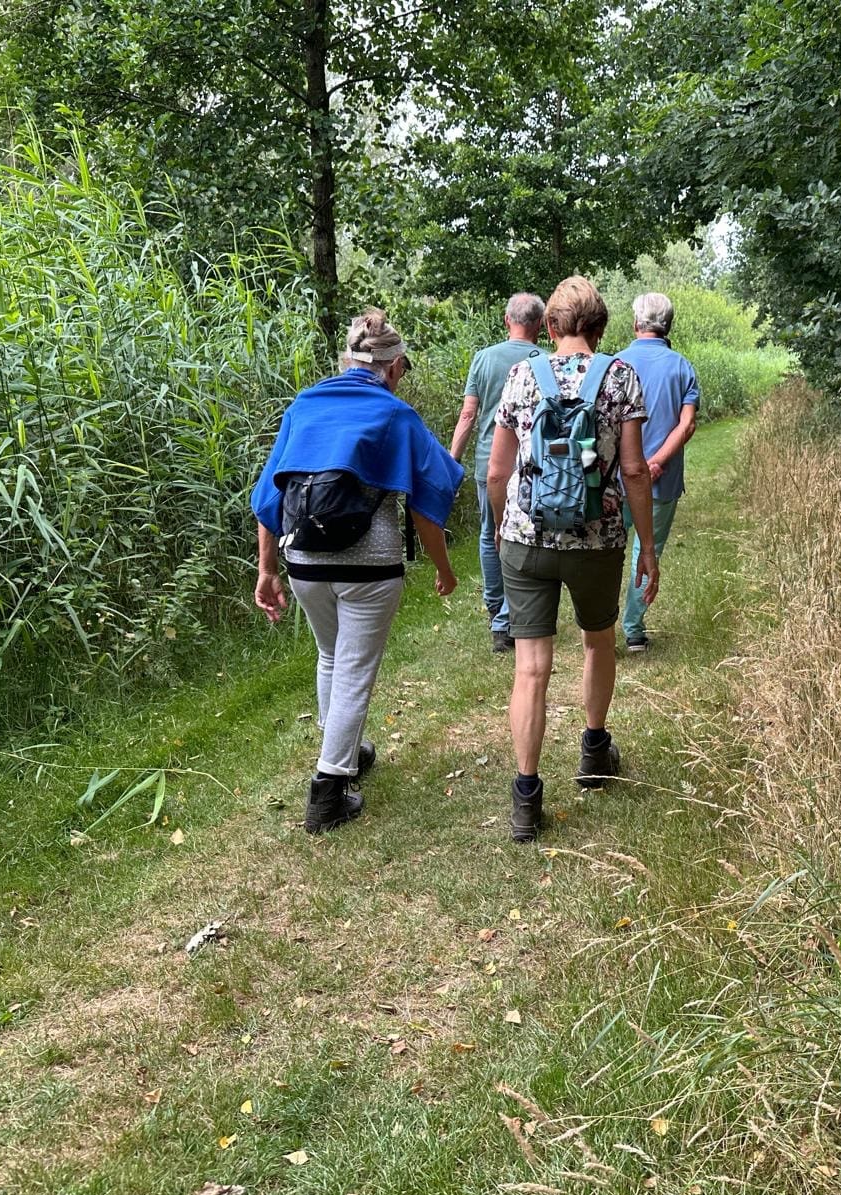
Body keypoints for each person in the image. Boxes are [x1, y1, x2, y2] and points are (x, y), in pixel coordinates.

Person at [251, 308, 464, 834]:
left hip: (303, 560)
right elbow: (428, 503)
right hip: (369, 564)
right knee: (353, 669)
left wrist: (267, 570)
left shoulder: (304, 405)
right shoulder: (395, 415)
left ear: (347, 361)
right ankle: (328, 790)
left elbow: (269, 496)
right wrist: (444, 567)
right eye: (403, 369)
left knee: (331, 655)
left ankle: (346, 748)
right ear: (392, 366)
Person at [485, 276, 659, 843]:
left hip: (527, 538)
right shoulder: (620, 377)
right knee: (597, 641)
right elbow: (634, 470)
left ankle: (526, 798)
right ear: (600, 328)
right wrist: (646, 545)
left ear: (551, 326)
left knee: (531, 667)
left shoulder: (520, 376)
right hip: (597, 540)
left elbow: (497, 471)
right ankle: (593, 750)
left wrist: (501, 526)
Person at [448, 293, 546, 654]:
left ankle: (497, 614)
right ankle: (514, 614)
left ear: (507, 320)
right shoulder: (545, 362)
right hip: (532, 466)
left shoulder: (484, 358)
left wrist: (451, 462)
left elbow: (468, 415)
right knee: (527, 536)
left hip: (490, 463)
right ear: (540, 326)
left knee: (491, 534)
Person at [618, 292, 700, 652]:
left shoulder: (615, 364)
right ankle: (633, 630)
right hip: (661, 482)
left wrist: (637, 465)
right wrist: (657, 463)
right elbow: (687, 424)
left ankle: (599, 623)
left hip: (617, 479)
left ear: (636, 323)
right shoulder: (682, 367)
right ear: (669, 325)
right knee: (647, 549)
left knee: (607, 550)